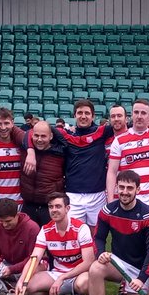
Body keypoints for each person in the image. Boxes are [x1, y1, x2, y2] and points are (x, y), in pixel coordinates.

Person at [82, 170, 149, 295]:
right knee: (96, 268)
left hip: (139, 270)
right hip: (118, 265)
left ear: (138, 190)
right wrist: (101, 253)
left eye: (130, 188)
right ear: (116, 187)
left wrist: (142, 278)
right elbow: (98, 238)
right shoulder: (108, 211)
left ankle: (131, 290)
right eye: (121, 187)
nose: (125, 192)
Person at [35, 99, 114, 230]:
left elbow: (124, 125)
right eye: (80, 113)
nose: (83, 116)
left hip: (97, 194)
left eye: (87, 113)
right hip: (73, 194)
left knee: (97, 234)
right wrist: (31, 151)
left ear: (93, 116)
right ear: (74, 115)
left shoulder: (102, 132)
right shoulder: (65, 134)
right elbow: (34, 133)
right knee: (74, 234)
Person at [26, 193, 94, 295]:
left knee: (84, 285)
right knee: (28, 288)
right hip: (57, 272)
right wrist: (21, 281)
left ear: (67, 208)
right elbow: (34, 259)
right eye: (50, 206)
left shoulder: (81, 228)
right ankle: (60, 294)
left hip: (79, 273)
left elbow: (88, 262)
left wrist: (62, 278)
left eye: (58, 206)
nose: (53, 210)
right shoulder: (45, 230)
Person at [107, 98, 149, 206]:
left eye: (143, 113)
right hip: (128, 200)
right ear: (131, 115)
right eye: (136, 112)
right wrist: (110, 201)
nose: (139, 116)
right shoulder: (119, 140)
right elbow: (112, 172)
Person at [0, 106, 31, 205]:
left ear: (13, 123)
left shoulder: (22, 144)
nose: (3, 128)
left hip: (20, 202)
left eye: (6, 123)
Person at [19, 119, 65, 225]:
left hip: (50, 207)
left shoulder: (61, 153)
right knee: (28, 240)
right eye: (36, 135)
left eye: (43, 136)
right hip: (28, 205)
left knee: (51, 240)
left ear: (51, 136)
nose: (39, 139)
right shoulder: (24, 148)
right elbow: (14, 130)